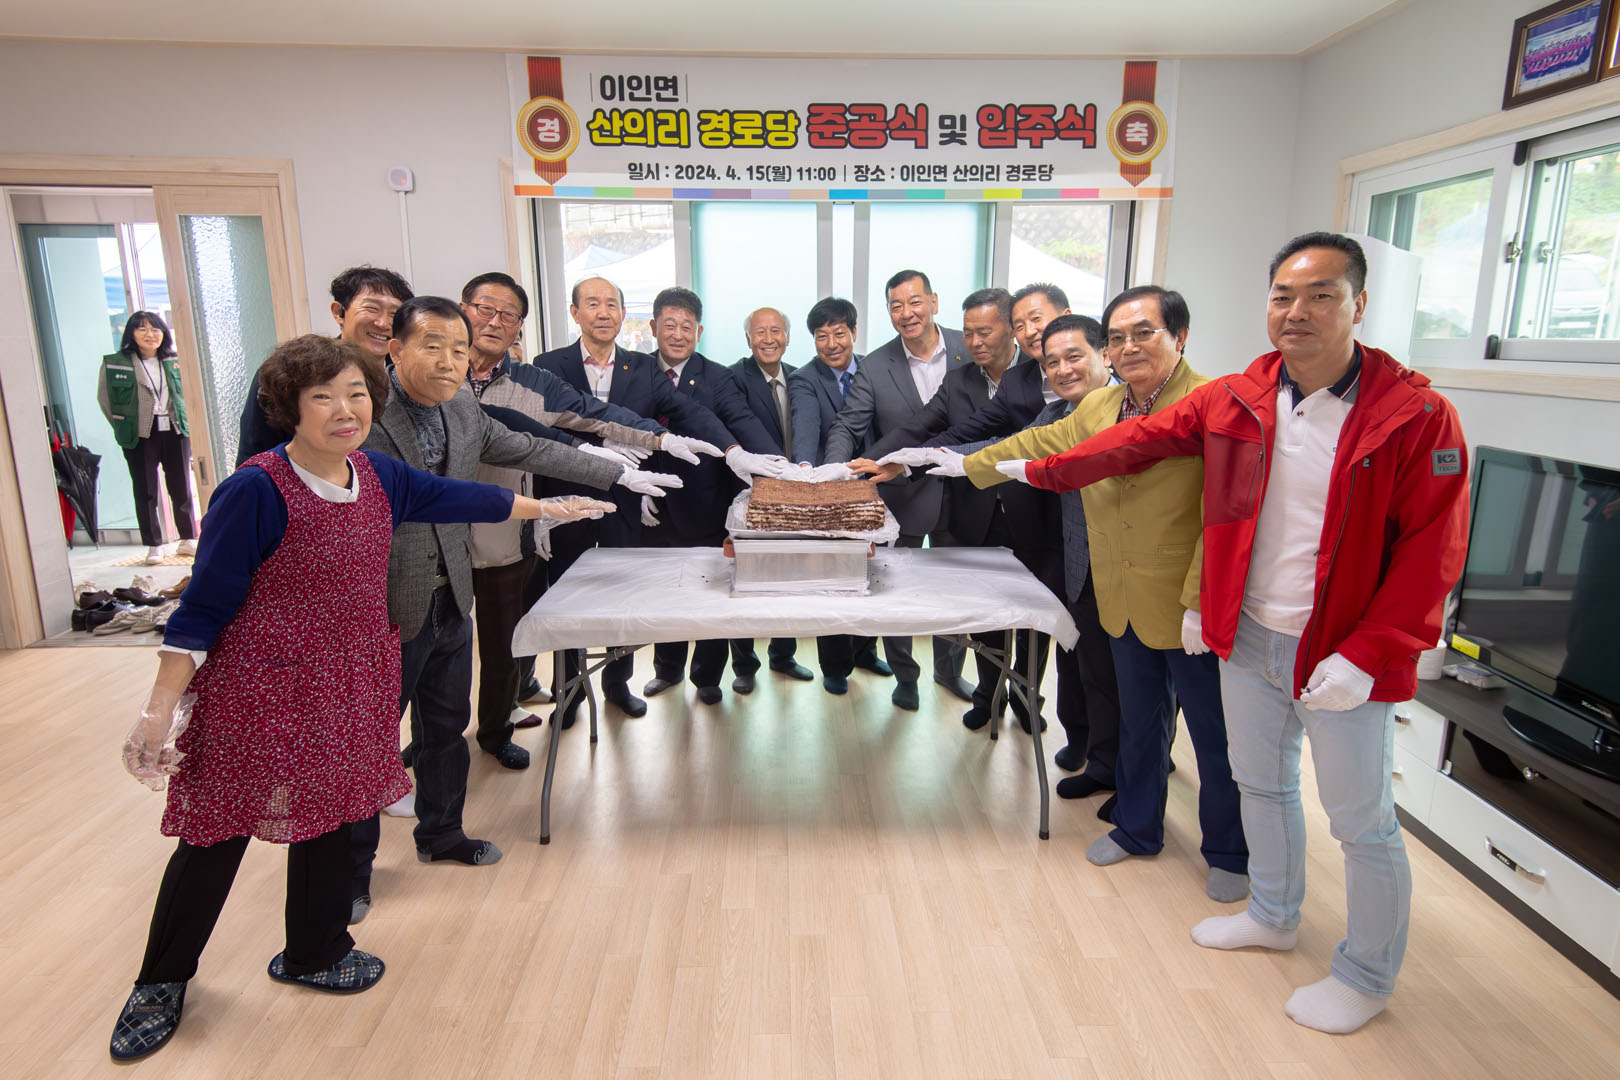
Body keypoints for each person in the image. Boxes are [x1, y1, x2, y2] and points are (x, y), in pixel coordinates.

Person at [1004, 233, 1470, 1035]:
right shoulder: (1243, 396)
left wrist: (1369, 654)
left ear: (1359, 304)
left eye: (1321, 295)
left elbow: (1435, 555)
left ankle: (1365, 975)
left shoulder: (1416, 415)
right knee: (1262, 783)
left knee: (1361, 823)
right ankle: (1273, 913)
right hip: (1248, 632)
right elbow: (1139, 439)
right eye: (1283, 295)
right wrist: (1040, 471)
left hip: (1343, 649)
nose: (1297, 311)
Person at [108, 334, 614, 1062]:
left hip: (350, 677)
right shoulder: (256, 489)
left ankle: (314, 950)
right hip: (261, 687)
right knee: (217, 832)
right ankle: (160, 980)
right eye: (323, 397)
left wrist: (549, 508)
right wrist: (157, 711)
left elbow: (462, 496)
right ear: (289, 408)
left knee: (331, 814)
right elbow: (201, 609)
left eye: (355, 394)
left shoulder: (376, 474)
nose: (345, 410)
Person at [348, 296, 678, 923]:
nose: (448, 362)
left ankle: (441, 832)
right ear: (395, 349)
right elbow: (428, 496)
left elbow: (526, 448)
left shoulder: (461, 407)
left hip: (451, 590)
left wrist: (612, 474)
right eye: (432, 347)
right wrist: (546, 508)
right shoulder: (366, 410)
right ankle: (350, 873)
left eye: (457, 349)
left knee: (445, 726)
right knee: (368, 740)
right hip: (382, 599)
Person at [964, 285, 1250, 905]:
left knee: (1212, 735)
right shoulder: (1100, 404)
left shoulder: (1212, 401)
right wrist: (963, 466)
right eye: (1118, 337)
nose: (1128, 347)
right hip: (1116, 593)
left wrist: (1201, 599)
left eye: (1143, 333)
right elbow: (1036, 445)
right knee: (1139, 723)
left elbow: (1224, 513)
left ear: (1179, 337)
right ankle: (1138, 828)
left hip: (1185, 601)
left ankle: (1229, 850)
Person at [460, 272, 716, 763]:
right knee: (467, 635)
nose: (495, 321)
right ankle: (565, 694)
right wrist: (596, 459)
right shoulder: (483, 373)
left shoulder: (548, 378)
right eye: (485, 309)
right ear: (574, 312)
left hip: (564, 513)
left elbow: (592, 413)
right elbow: (537, 438)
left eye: (508, 314)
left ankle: (517, 722)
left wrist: (663, 441)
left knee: (517, 633)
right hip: (534, 508)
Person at [886, 314, 1123, 797]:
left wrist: (953, 462)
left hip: (1116, 559)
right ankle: (1098, 759)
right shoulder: (1060, 411)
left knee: (1120, 676)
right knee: (1087, 665)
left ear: (1104, 354)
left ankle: (1123, 770)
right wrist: (935, 459)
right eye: (1052, 361)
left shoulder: (1127, 407)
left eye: (1073, 357)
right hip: (1077, 554)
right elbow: (1014, 443)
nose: (1061, 368)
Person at [533, 275, 755, 719]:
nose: (603, 312)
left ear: (623, 314)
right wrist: (596, 448)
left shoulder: (641, 367)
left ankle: (617, 684)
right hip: (567, 499)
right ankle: (569, 695)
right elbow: (542, 427)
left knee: (624, 594)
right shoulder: (548, 364)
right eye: (592, 303)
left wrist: (734, 451)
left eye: (611, 304)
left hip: (626, 499)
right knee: (566, 599)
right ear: (574, 312)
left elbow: (688, 410)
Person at [851, 288, 1054, 732]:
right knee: (985, 614)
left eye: (985, 332)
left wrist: (915, 459)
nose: (975, 342)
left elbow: (1017, 444)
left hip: (1035, 514)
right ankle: (988, 696)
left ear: (1010, 330)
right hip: (977, 513)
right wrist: (887, 460)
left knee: (1034, 615)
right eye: (969, 333)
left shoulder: (1043, 371)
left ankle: (1026, 697)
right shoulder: (960, 380)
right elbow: (926, 428)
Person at [824, 270, 970, 710]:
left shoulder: (969, 347)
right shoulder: (874, 365)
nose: (907, 313)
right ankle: (905, 676)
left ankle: (949, 672)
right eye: (896, 306)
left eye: (915, 302)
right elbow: (848, 424)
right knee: (894, 592)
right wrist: (835, 471)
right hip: (902, 495)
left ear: (934, 301)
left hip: (965, 495)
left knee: (954, 591)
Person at [636, 286, 783, 706]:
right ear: (653, 327)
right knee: (666, 592)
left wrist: (780, 464)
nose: (678, 334)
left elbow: (741, 420)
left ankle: (707, 676)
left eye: (687, 327)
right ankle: (666, 670)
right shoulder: (636, 370)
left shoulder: (718, 376)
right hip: (651, 504)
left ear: (699, 332)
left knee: (710, 592)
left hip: (705, 503)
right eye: (669, 325)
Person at [786, 297, 893, 695]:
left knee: (872, 572)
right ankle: (834, 666)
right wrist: (809, 473)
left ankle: (865, 651)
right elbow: (806, 429)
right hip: (829, 487)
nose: (831, 344)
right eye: (821, 336)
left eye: (839, 333)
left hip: (876, 484)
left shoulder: (873, 368)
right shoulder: (804, 379)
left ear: (854, 332)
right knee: (832, 576)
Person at [237, 266, 413, 465]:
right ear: (339, 312)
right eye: (372, 309)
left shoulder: (406, 375)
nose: (383, 323)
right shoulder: (294, 369)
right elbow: (255, 458)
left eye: (394, 314)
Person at [727, 306, 816, 692]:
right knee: (746, 577)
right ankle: (744, 666)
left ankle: (783, 656)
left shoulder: (801, 377)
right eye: (760, 332)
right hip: (749, 493)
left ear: (787, 337)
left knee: (789, 577)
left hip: (795, 494)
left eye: (776, 331)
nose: (768, 339)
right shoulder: (733, 378)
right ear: (749, 339)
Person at [98, 312, 196, 565]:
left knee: (181, 485)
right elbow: (105, 400)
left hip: (175, 429)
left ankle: (187, 538)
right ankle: (154, 544)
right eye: (142, 329)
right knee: (145, 489)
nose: (150, 334)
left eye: (155, 329)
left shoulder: (175, 360)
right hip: (140, 433)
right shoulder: (116, 363)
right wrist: (124, 426)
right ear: (131, 334)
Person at [1010, 282, 1071, 363]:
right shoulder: (1014, 372)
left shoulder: (1087, 367)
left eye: (1036, 318)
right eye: (1020, 326)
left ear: (1066, 317)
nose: (1029, 333)